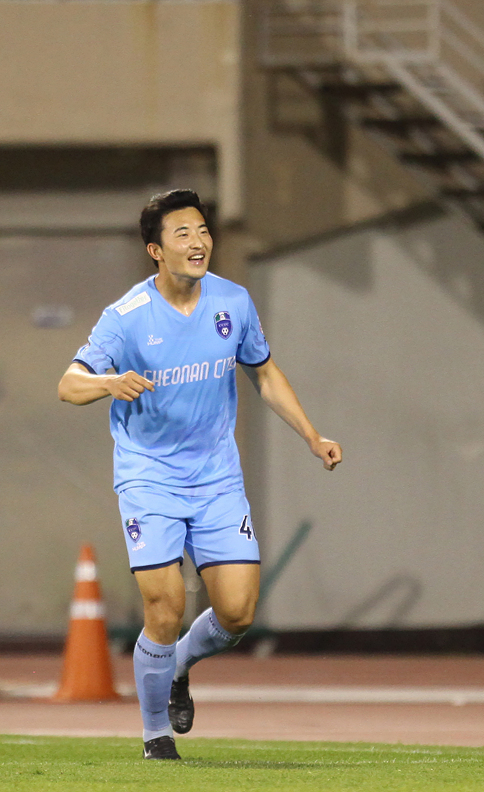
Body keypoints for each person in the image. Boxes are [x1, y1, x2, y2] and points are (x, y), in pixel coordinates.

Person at [58, 189, 342, 760]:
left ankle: (179, 666)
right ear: (155, 250)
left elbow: (264, 374)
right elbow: (69, 385)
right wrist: (108, 382)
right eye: (183, 233)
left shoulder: (232, 301)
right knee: (164, 608)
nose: (198, 242)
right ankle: (155, 736)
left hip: (217, 479)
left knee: (237, 612)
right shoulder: (126, 318)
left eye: (203, 231)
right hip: (149, 479)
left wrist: (312, 436)